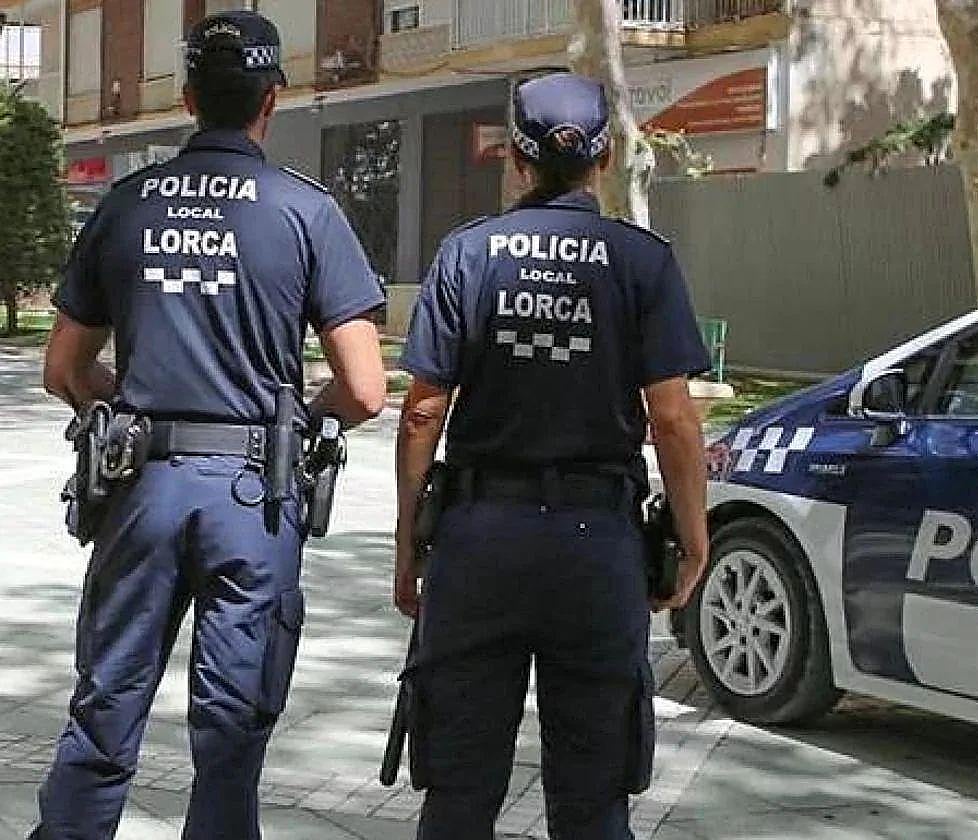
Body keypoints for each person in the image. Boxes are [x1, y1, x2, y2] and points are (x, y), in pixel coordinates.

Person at [34, 11, 387, 839]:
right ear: (274, 99)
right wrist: (295, 416)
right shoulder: (306, 212)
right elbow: (367, 390)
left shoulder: (126, 205)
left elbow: (63, 370)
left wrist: (132, 399)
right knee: (230, 734)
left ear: (189, 98)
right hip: (252, 499)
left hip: (140, 488)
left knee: (104, 712)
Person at [392, 72, 710, 839]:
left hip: (479, 541)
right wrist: (694, 541)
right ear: (604, 159)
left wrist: (410, 543)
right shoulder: (642, 261)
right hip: (596, 546)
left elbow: (424, 408)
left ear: (516, 160)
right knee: (595, 795)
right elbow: (671, 419)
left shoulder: (468, 254)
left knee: (459, 791)